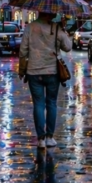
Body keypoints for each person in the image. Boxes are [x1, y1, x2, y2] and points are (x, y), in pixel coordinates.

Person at [19, 12, 73, 149]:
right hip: (52, 72)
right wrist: (64, 29)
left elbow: (22, 51)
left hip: (33, 71)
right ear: (52, 13)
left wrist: (23, 67)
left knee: (38, 104)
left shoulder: (30, 27)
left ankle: (41, 139)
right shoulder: (56, 28)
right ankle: (50, 137)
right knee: (51, 103)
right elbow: (68, 47)